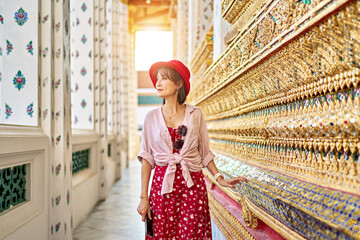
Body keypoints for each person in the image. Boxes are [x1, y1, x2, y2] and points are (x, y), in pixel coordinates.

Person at [137, 60, 247, 239]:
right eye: (157, 79)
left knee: (192, 234)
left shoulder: (195, 114)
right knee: (163, 234)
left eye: (164, 78)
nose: (158, 83)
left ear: (179, 83)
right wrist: (143, 198)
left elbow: (204, 153)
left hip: (192, 187)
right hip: (162, 188)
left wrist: (219, 178)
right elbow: (147, 160)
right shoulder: (151, 118)